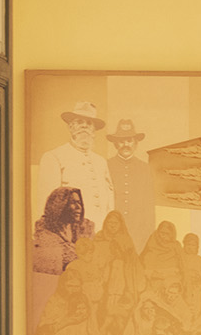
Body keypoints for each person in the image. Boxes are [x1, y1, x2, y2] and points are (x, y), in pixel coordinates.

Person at [35, 101, 115, 231]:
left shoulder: (101, 162)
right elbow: (47, 205)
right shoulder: (54, 157)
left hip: (100, 232)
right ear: (70, 127)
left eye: (89, 123)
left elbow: (109, 201)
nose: (84, 126)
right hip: (69, 233)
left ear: (94, 130)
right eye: (79, 122)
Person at [106, 118, 156, 250]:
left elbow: (149, 204)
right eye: (121, 141)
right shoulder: (107, 166)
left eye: (129, 140)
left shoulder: (144, 168)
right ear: (116, 144)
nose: (125, 144)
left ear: (135, 143)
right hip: (112, 230)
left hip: (137, 230)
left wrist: (149, 233)